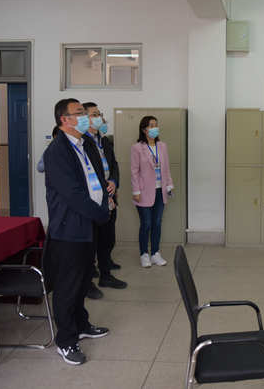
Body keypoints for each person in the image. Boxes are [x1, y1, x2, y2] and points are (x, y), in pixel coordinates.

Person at [43, 98, 110, 365]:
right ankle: (66, 340)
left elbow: (99, 180)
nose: (85, 117)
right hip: (69, 228)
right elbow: (72, 193)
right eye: (79, 113)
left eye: (84, 112)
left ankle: (81, 324)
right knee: (67, 287)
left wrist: (103, 206)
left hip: (88, 224)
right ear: (65, 119)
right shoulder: (56, 151)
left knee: (83, 281)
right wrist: (99, 213)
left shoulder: (86, 144)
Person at [83, 101, 127, 293]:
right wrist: (104, 187)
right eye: (94, 114)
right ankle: (88, 282)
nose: (99, 117)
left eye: (99, 114)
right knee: (91, 242)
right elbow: (88, 172)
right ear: (85, 118)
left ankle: (106, 274)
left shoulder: (104, 140)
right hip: (94, 199)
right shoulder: (82, 142)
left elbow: (114, 164)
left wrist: (114, 182)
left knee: (107, 238)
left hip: (110, 194)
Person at [131, 116, 174, 268]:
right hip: (143, 192)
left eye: (156, 125)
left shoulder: (162, 146)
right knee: (146, 223)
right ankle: (144, 254)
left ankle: (155, 253)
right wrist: (136, 190)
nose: (155, 128)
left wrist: (169, 184)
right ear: (144, 129)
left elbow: (166, 168)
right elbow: (134, 171)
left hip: (160, 190)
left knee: (157, 223)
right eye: (151, 125)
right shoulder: (137, 148)